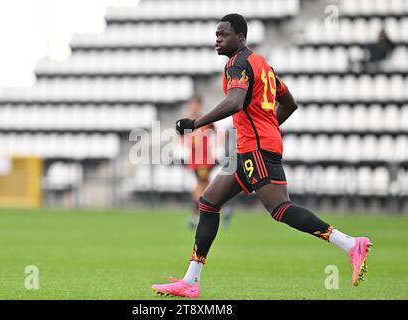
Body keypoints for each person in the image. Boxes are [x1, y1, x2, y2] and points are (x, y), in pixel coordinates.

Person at [152, 14, 372, 298]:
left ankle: (351, 244)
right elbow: (289, 103)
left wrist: (196, 124)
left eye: (224, 34)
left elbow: (235, 101)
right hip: (249, 147)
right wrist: (267, 128)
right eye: (216, 34)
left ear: (240, 37)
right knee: (208, 202)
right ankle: (191, 280)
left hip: (255, 149)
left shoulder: (237, 64)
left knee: (280, 209)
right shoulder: (262, 66)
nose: (217, 39)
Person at [182, 95, 216, 229]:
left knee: (204, 186)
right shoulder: (188, 122)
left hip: (205, 160)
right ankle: (196, 216)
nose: (192, 108)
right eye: (191, 105)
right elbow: (189, 142)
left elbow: (216, 133)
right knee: (202, 186)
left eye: (194, 105)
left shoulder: (204, 120)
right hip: (199, 161)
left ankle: (199, 215)